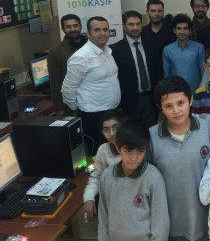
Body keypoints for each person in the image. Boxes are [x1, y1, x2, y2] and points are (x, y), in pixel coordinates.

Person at [148, 75, 210, 241]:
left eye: (180, 103)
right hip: (172, 222)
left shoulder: (205, 129)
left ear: (190, 100)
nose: (176, 110)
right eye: (168, 106)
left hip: (205, 219)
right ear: (160, 108)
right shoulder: (152, 137)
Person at [98, 117, 170, 241]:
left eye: (140, 151)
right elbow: (103, 218)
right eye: (128, 151)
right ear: (118, 148)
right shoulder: (106, 177)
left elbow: (161, 225)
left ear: (146, 149)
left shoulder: (153, 178)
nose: (134, 157)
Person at [61, 16, 120, 155]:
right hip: (93, 118)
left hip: (112, 113)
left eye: (105, 29)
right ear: (88, 33)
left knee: (114, 153)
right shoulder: (81, 57)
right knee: (99, 156)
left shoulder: (107, 51)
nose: (102, 33)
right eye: (97, 30)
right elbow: (67, 90)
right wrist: (78, 108)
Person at [110, 10, 160, 128]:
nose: (135, 28)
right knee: (132, 133)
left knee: (150, 132)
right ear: (124, 26)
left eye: (138, 24)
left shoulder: (152, 45)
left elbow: (158, 72)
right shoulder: (115, 49)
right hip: (129, 102)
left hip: (150, 99)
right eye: (131, 24)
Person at [83, 109, 124, 220]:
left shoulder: (136, 147)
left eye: (116, 128)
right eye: (106, 130)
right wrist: (89, 198)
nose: (112, 133)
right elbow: (96, 177)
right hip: (113, 200)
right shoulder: (104, 149)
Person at [47, 13, 87, 116]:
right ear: (63, 29)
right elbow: (55, 82)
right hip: (72, 103)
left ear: (80, 26)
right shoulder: (56, 51)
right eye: (68, 27)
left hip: (94, 98)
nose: (72, 29)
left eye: (75, 26)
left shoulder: (91, 45)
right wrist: (59, 108)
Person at [163, 13, 205, 92]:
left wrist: (203, 92)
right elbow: (166, 75)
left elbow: (203, 73)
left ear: (189, 31)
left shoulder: (199, 48)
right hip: (175, 92)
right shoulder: (167, 50)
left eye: (185, 28)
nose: (182, 32)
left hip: (196, 92)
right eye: (179, 28)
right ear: (174, 30)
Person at [141, 0, 175, 73]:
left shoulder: (173, 32)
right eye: (153, 11)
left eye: (159, 11)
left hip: (170, 74)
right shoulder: (141, 33)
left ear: (163, 12)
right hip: (149, 75)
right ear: (147, 12)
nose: (156, 14)